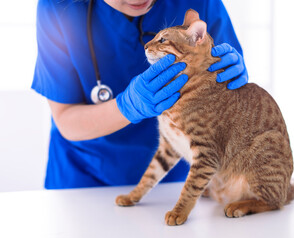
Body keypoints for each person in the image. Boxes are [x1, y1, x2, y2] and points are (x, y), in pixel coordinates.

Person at [32, 0, 249, 189]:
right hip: (83, 179)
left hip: (177, 176)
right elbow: (66, 119)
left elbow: (225, 97)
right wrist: (128, 106)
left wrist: (233, 88)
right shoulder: (57, 6)